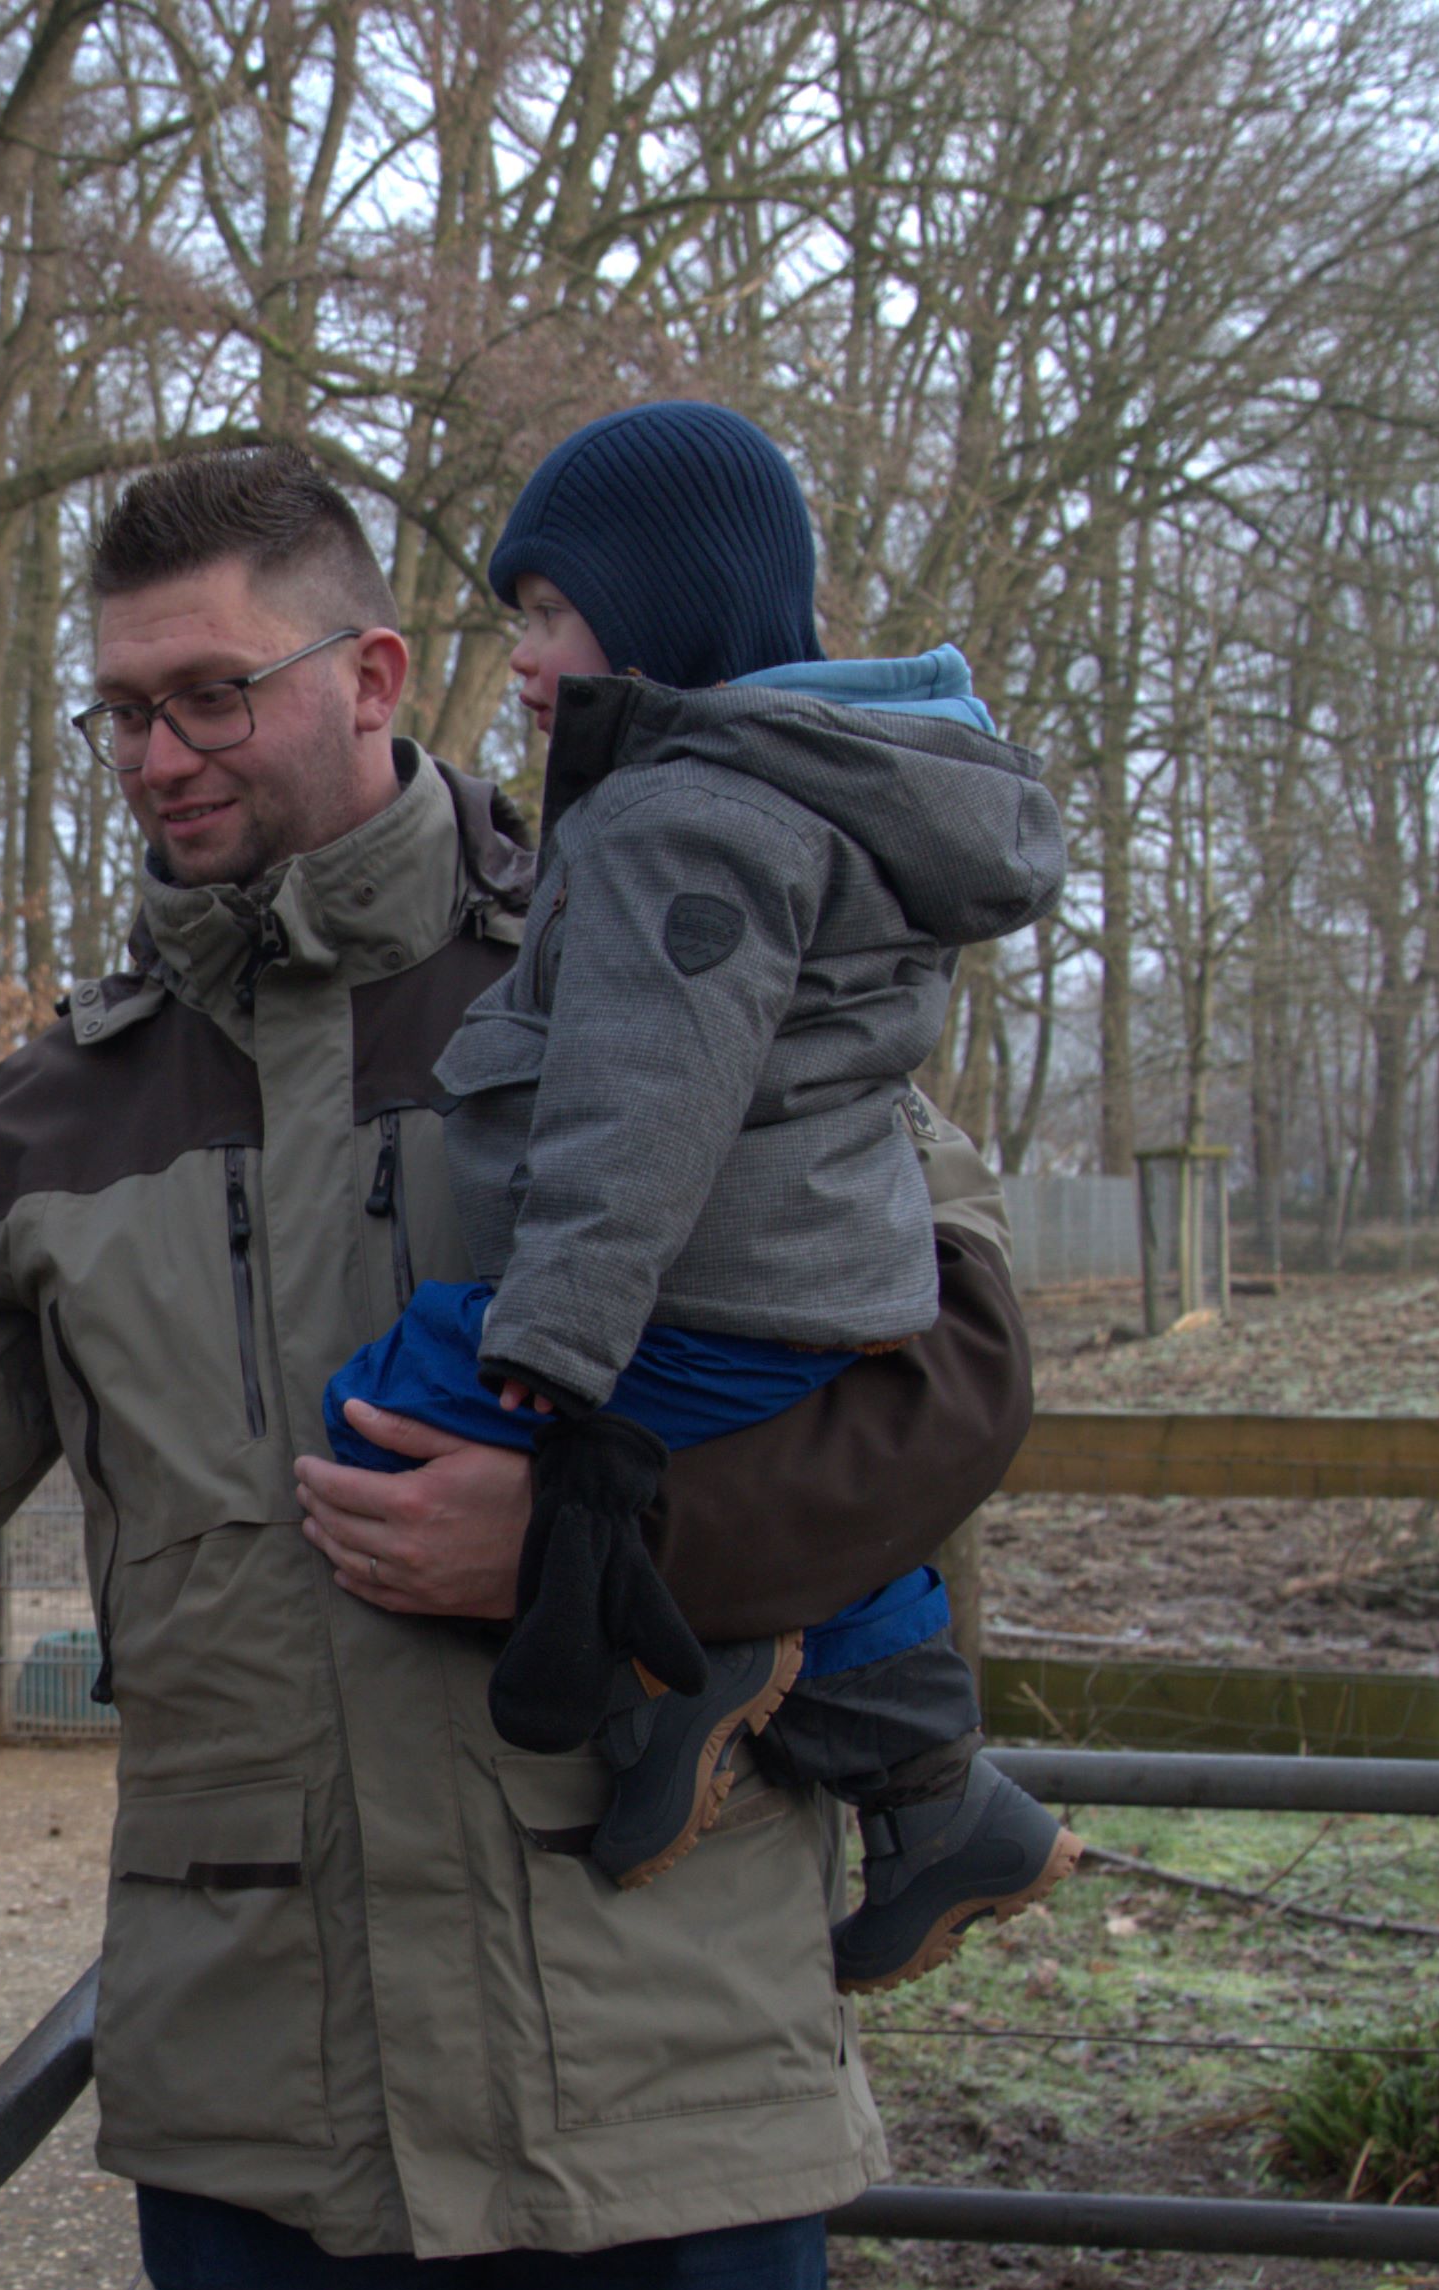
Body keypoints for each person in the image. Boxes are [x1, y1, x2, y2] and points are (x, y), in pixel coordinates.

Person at [0, 442, 1034, 2290]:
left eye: (213, 694)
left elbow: (953, 1373)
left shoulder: (658, 933)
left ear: (377, 673)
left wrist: (589, 1551)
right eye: (124, 711)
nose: (159, 755)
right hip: (276, 2122)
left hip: (657, 2074)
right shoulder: (57, 1118)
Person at [318, 399, 1081, 1994]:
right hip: (821, 1283)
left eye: (549, 614)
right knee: (777, 1513)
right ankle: (937, 1798)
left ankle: (679, 1669)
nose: (521, 657)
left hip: (708, 1293)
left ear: (657, 617)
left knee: (387, 1407)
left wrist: (562, 1336)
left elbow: (642, 1107)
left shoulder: (685, 821)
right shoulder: (809, 799)